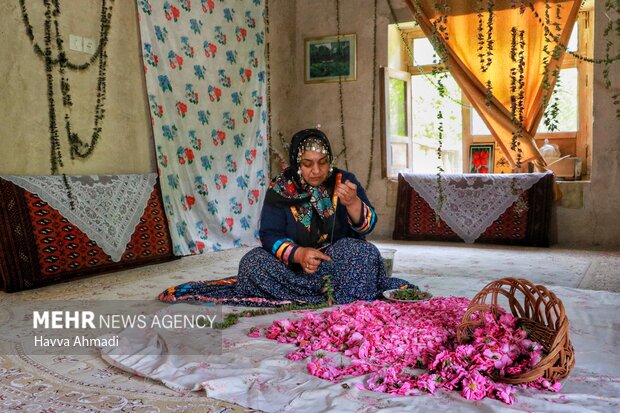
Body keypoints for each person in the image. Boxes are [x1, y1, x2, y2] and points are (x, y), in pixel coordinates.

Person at [159, 128, 416, 306]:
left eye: (323, 162)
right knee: (253, 263)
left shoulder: (344, 180)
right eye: (307, 163)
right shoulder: (281, 189)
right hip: (292, 269)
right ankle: (332, 293)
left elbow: (367, 227)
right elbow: (269, 234)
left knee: (363, 253)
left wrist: (353, 203)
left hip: (337, 263)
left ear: (330, 160)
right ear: (296, 162)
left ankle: (324, 293)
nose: (316, 170)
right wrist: (299, 254)